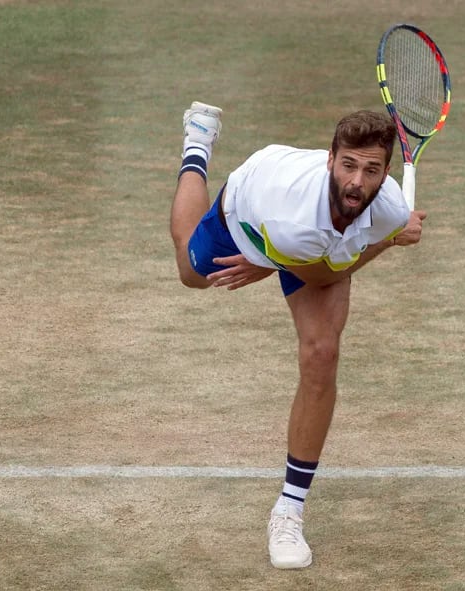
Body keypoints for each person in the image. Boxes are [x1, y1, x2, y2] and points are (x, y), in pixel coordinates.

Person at [169, 101, 426, 569]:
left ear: (387, 172)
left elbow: (338, 260)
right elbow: (322, 275)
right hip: (252, 209)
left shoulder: (388, 206)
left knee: (322, 352)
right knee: (191, 271)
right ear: (330, 158)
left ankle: (288, 509)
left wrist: (386, 232)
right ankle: (197, 145)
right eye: (347, 165)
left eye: (371, 170)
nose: (356, 182)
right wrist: (388, 240)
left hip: (305, 245)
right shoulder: (292, 221)